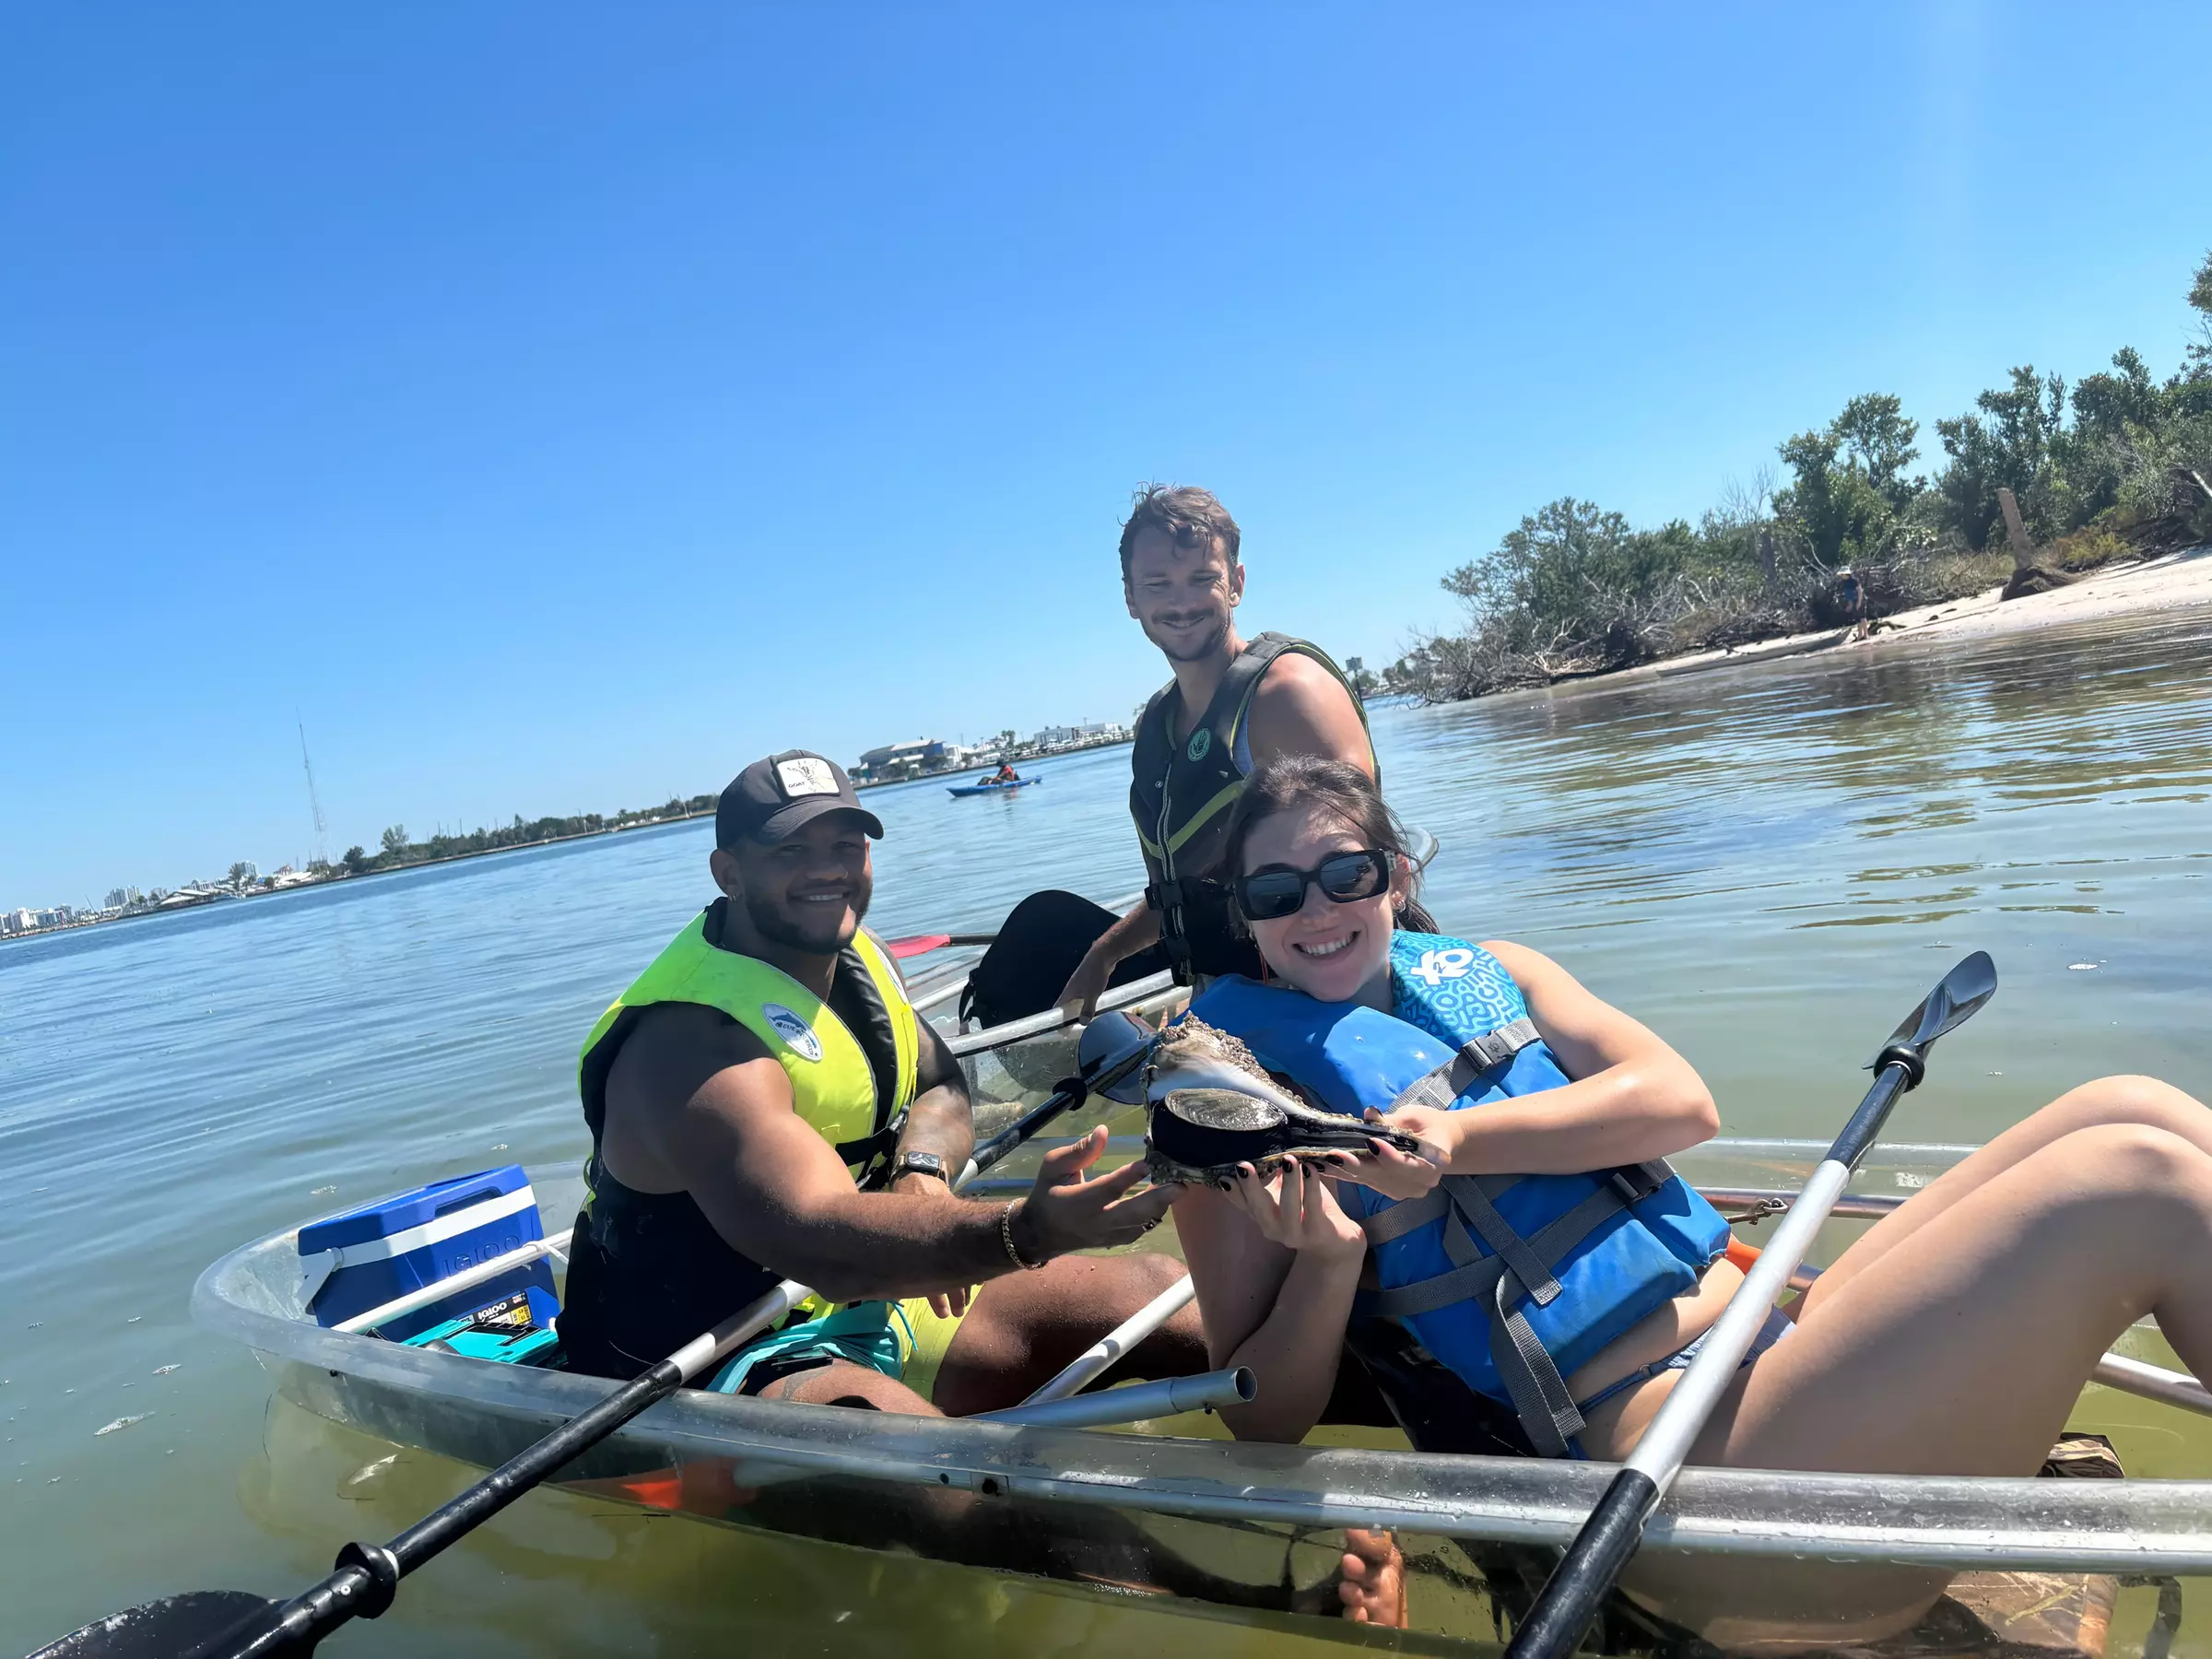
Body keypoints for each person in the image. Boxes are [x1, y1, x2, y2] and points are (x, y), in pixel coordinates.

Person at [1171, 752, 2212, 1644]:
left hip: (1774, 1342)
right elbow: (1265, 1422)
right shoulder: (1237, 1108)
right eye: (1276, 893)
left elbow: (1680, 1101)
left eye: (1344, 872)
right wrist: (1328, 1257)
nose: (1316, 910)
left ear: (1393, 879)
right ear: (1248, 923)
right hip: (1689, 1479)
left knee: (2131, 1104)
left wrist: (1459, 1138)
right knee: (2137, 1188)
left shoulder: (1496, 970)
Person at [559, 748, 1203, 1416]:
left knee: (1159, 1295)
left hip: (871, 1296)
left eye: (847, 843)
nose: (828, 869)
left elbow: (942, 1083)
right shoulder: (689, 1044)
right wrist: (1027, 1231)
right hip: (712, 1357)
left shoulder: (860, 954)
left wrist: (922, 1172)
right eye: (790, 850)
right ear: (729, 873)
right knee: (957, 1477)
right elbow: (823, 1242)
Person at [1056, 484, 1382, 1012]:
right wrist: (1103, 955)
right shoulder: (1157, 726)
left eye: (1202, 579)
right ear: (1131, 598)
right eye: (1158, 583)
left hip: (1333, 998)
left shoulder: (1288, 695)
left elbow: (1361, 880)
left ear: (1236, 583)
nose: (1181, 602)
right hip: (1231, 999)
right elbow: (1184, 893)